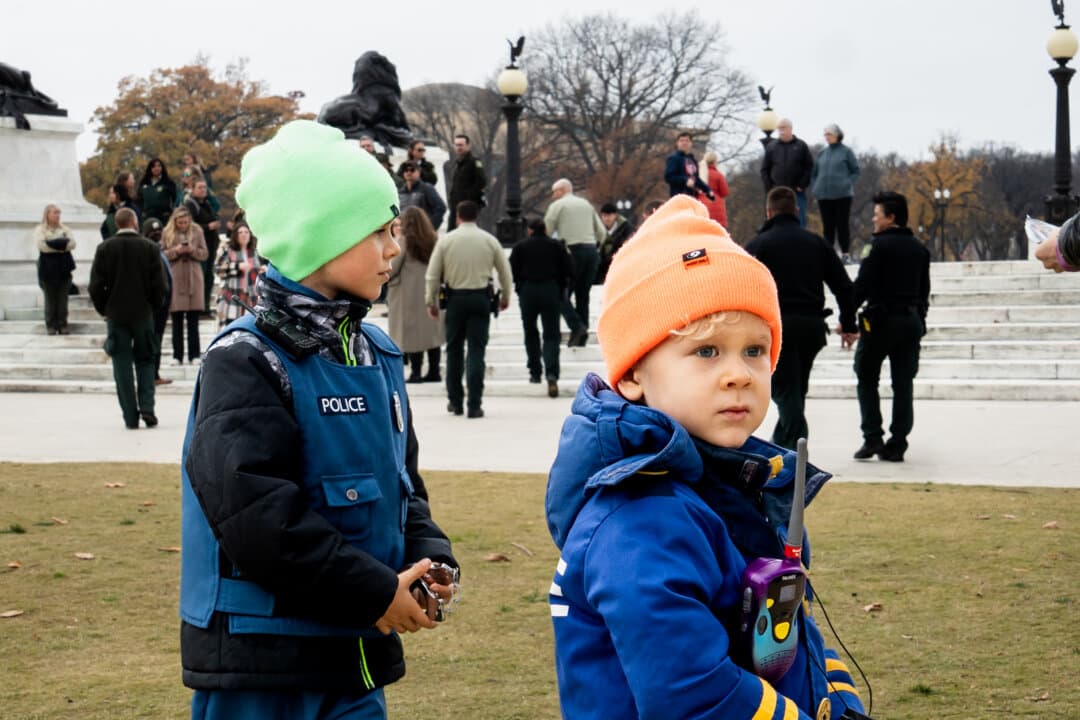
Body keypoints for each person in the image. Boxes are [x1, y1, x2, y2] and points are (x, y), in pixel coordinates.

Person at [545, 195, 866, 720]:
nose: (738, 373)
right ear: (631, 375)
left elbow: (790, 637)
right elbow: (693, 694)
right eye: (706, 351)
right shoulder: (640, 521)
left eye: (754, 350)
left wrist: (839, 704)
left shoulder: (747, 487)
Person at [180, 119, 458, 720]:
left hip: (355, 657)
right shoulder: (244, 360)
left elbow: (402, 488)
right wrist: (374, 591)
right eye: (378, 230)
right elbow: (258, 520)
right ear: (318, 237)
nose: (395, 247)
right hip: (263, 668)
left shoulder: (378, 353)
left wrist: (431, 558)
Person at [746, 187, 858, 450]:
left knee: (785, 391)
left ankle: (797, 448)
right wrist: (849, 324)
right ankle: (784, 445)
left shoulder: (758, 245)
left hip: (775, 327)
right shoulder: (816, 243)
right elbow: (844, 286)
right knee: (795, 390)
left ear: (768, 211)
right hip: (811, 326)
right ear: (796, 211)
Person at [852, 191, 930, 462]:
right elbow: (924, 292)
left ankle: (872, 436)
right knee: (903, 384)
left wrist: (847, 318)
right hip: (910, 322)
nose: (874, 219)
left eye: (877, 215)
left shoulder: (876, 247)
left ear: (891, 217)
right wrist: (920, 320)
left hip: (881, 321)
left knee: (865, 375)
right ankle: (897, 443)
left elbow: (861, 287)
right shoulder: (920, 249)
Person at [425, 200, 511, 418]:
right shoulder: (489, 240)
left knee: (454, 351)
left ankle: (455, 401)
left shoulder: (447, 241)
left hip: (455, 299)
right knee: (476, 351)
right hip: (480, 298)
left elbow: (433, 274)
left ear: (458, 217)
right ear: (477, 217)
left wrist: (430, 301)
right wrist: (506, 297)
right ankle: (475, 404)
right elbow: (505, 272)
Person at [88, 208, 167, 429]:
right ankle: (148, 408)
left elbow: (95, 286)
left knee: (121, 365)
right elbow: (160, 285)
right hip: (143, 313)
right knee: (146, 360)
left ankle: (130, 416)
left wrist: (105, 309)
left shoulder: (105, 248)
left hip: (116, 314)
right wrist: (153, 306)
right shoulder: (149, 248)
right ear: (134, 221)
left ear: (116, 223)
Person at [510, 217, 574, 398]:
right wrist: (562, 287)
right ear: (545, 229)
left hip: (528, 290)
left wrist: (519, 286)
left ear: (530, 230)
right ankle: (552, 373)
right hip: (550, 289)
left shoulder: (520, 247)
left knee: (530, 331)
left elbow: (512, 270)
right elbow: (569, 269)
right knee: (552, 334)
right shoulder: (556, 246)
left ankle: (535, 371)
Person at [544, 178, 605, 347]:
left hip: (571, 252)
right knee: (582, 295)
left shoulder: (557, 206)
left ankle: (576, 327)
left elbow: (546, 231)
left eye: (554, 192)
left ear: (562, 190)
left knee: (560, 294)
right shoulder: (586, 205)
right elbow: (601, 233)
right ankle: (582, 333)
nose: (553, 196)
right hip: (591, 252)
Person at [386, 207, 443, 383]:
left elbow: (393, 267)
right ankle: (434, 371)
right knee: (432, 334)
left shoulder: (404, 241)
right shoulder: (433, 239)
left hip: (407, 294)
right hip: (429, 291)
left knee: (411, 334)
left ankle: (416, 372)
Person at [161, 206, 209, 365]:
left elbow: (205, 254)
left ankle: (194, 354)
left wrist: (192, 250)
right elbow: (162, 254)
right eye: (180, 222)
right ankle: (177, 355)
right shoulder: (167, 232)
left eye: (185, 222)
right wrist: (177, 250)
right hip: (176, 277)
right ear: (175, 221)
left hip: (194, 277)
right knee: (177, 320)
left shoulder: (197, 231)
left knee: (193, 320)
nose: (183, 225)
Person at [810, 124, 861, 262]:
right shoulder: (822, 153)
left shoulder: (846, 152)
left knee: (842, 225)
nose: (827, 137)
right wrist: (815, 187)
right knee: (828, 226)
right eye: (825, 134)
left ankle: (845, 253)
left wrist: (847, 182)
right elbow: (814, 173)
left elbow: (856, 171)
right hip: (824, 196)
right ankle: (829, 254)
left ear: (837, 135)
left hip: (842, 195)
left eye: (829, 134)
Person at [761, 118, 814, 227]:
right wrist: (769, 187)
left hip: (796, 192)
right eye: (779, 128)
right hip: (777, 192)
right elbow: (764, 169)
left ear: (790, 129)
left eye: (783, 128)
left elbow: (810, 167)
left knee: (799, 222)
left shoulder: (801, 146)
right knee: (774, 222)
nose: (781, 131)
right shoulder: (771, 147)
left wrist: (802, 185)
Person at [33, 204, 76, 335]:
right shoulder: (40, 229)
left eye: (58, 213)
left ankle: (63, 324)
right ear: (47, 214)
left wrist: (51, 242)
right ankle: (51, 325)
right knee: (50, 298)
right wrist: (61, 244)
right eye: (55, 213)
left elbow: (72, 244)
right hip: (48, 268)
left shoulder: (65, 229)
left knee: (63, 298)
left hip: (63, 267)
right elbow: (41, 246)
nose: (57, 216)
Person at [142, 217, 174, 386]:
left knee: (157, 340)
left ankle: (155, 373)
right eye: (152, 232)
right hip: (154, 306)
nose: (157, 234)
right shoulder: (148, 251)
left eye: (159, 231)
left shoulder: (159, 250)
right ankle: (151, 374)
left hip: (163, 305)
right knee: (152, 340)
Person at [214, 223, 261, 328]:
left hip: (251, 296)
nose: (244, 235)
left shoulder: (253, 252)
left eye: (246, 232)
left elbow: (256, 272)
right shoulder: (228, 250)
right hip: (232, 294)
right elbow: (218, 268)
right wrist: (237, 266)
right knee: (231, 326)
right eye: (240, 232)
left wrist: (261, 270)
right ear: (235, 235)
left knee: (248, 327)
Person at [185, 180, 222, 312]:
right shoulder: (190, 205)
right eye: (200, 187)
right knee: (200, 278)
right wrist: (208, 227)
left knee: (208, 277)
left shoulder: (206, 204)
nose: (203, 190)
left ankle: (204, 307)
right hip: (199, 248)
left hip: (210, 246)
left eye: (205, 187)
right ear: (193, 189)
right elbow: (188, 225)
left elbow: (218, 205)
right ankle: (198, 307)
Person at [445, 134, 486, 231]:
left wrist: (468, 198)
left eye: (461, 145)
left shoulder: (474, 162)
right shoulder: (458, 163)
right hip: (456, 205)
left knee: (466, 230)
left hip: (467, 206)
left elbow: (482, 181)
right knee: (451, 231)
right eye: (456, 145)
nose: (458, 147)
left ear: (468, 146)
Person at [664, 132, 714, 200]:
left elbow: (696, 179)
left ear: (691, 143)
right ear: (677, 143)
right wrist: (685, 180)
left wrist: (708, 190)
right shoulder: (674, 158)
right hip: (678, 197)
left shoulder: (692, 160)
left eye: (687, 140)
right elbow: (669, 177)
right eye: (682, 140)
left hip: (692, 197)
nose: (684, 143)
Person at [398, 161, 446, 230]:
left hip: (422, 233)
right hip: (405, 232)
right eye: (406, 170)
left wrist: (430, 228)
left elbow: (441, 208)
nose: (409, 172)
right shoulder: (401, 192)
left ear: (419, 172)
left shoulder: (426, 188)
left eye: (412, 170)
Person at [596, 202, 634, 284]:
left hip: (619, 266)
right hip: (602, 269)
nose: (607, 219)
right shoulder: (599, 230)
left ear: (615, 215)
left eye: (609, 215)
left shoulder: (626, 228)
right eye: (604, 216)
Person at [137, 157, 179, 225]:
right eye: (153, 166)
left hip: (164, 218)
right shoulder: (144, 183)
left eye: (159, 166)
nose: (156, 168)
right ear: (150, 169)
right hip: (148, 218)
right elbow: (139, 200)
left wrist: (171, 212)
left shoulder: (168, 182)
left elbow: (175, 199)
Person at [700, 150, 731, 228]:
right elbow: (725, 192)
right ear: (715, 162)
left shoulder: (699, 175)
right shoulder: (719, 175)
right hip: (716, 206)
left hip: (701, 205)